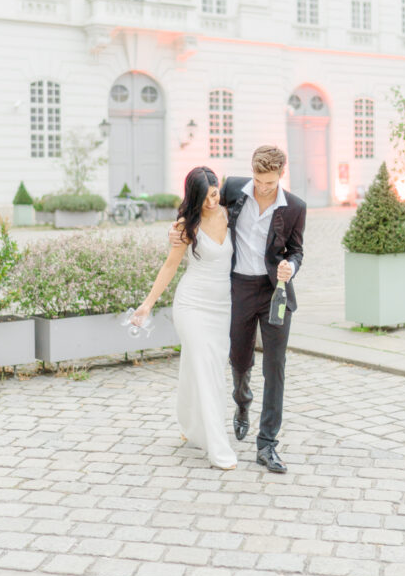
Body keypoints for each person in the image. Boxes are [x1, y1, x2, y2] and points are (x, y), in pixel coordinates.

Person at [171, 145, 306, 474]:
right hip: (240, 290)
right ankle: (242, 402)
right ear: (252, 172)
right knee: (240, 359)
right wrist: (176, 230)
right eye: (259, 181)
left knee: (275, 366)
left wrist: (290, 264)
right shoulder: (231, 190)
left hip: (275, 292)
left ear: (281, 176)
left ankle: (267, 444)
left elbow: (297, 250)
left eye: (270, 183)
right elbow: (198, 209)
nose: (263, 188)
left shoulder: (295, 207)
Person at [131, 167, 237, 471]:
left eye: (214, 194)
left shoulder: (232, 215)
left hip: (222, 307)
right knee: (207, 371)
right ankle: (218, 445)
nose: (211, 202)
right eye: (203, 198)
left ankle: (190, 426)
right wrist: (147, 304)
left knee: (203, 366)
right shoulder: (184, 226)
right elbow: (169, 267)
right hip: (191, 305)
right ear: (193, 198)